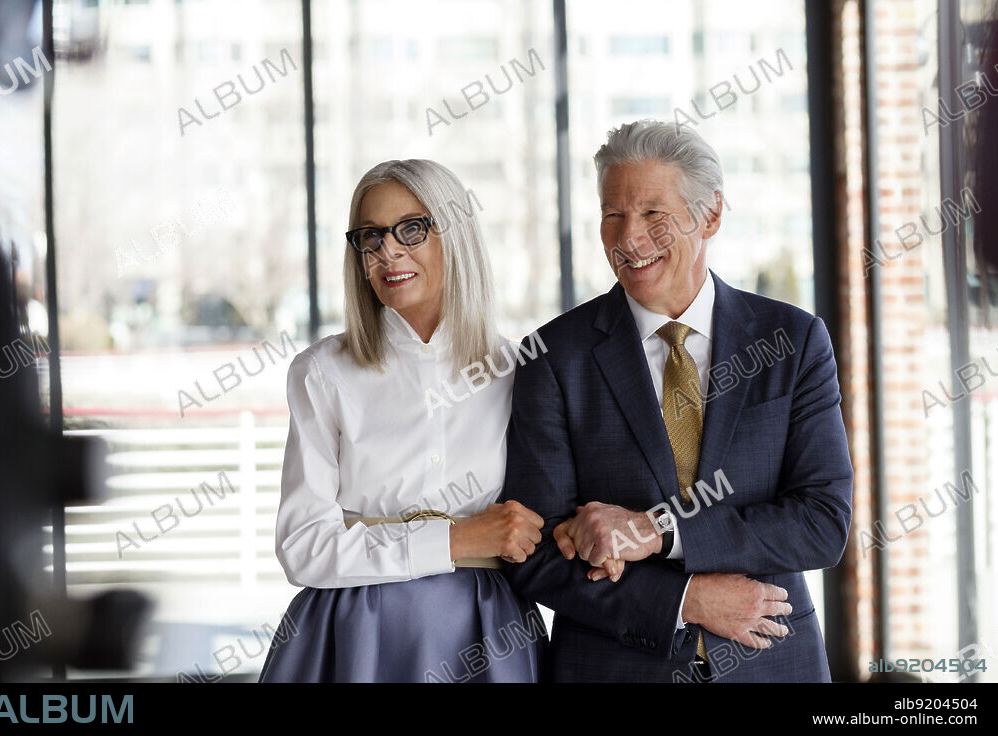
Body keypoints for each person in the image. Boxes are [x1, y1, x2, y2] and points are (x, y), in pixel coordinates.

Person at [500, 119, 853, 682]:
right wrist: (685, 600)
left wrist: (660, 531)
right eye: (612, 214)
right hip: (616, 668)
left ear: (710, 215)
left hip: (773, 663)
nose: (628, 238)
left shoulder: (793, 341)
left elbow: (822, 522)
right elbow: (536, 554)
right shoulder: (553, 356)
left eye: (652, 214)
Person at [258, 159, 546, 683]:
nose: (387, 251)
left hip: (488, 632)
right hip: (356, 633)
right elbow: (303, 547)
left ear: (455, 234)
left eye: (411, 229)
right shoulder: (322, 373)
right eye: (371, 236)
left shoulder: (518, 370)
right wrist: (455, 541)